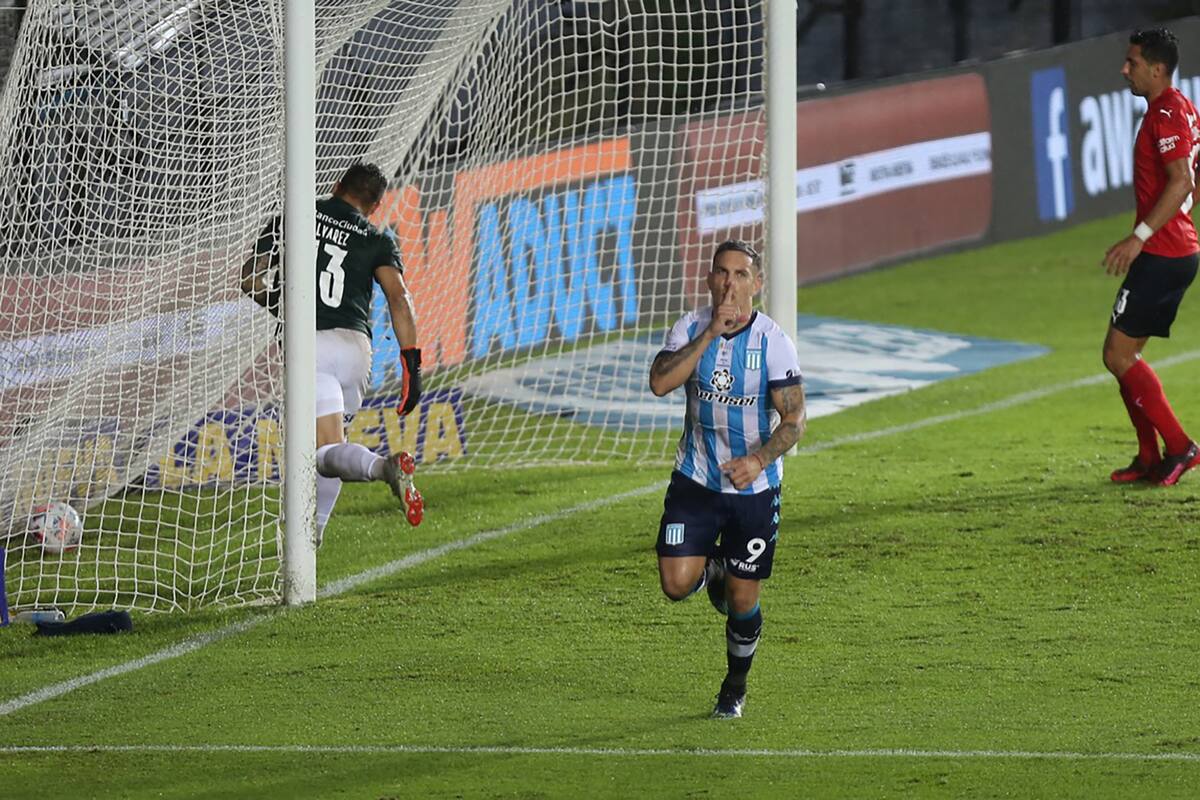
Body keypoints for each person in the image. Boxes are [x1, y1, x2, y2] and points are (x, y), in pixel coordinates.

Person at [648, 239, 806, 718]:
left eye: (740, 275)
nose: (729, 283)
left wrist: (758, 461)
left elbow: (794, 421)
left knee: (741, 598)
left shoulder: (773, 342)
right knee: (675, 584)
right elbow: (659, 383)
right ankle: (710, 570)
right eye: (721, 273)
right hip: (696, 478)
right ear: (710, 278)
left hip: (753, 491)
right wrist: (709, 335)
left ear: (756, 284)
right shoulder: (691, 327)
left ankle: (734, 689)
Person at [242, 162, 424, 545]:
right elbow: (400, 299)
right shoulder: (377, 238)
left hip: (310, 343)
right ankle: (311, 542)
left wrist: (284, 305)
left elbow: (250, 279)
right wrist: (412, 367)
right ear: (374, 206)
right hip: (356, 348)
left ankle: (382, 468)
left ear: (337, 185)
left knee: (320, 452)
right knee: (329, 445)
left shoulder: (292, 218)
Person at [1101, 28, 1200, 487]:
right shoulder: (1178, 108)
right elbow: (1190, 183)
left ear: (1157, 69)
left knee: (1117, 356)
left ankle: (1180, 448)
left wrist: (1139, 236)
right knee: (1128, 358)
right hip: (1172, 247)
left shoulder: (1165, 114)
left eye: (1133, 62)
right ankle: (1148, 455)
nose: (1126, 70)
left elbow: (1180, 180)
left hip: (1163, 252)